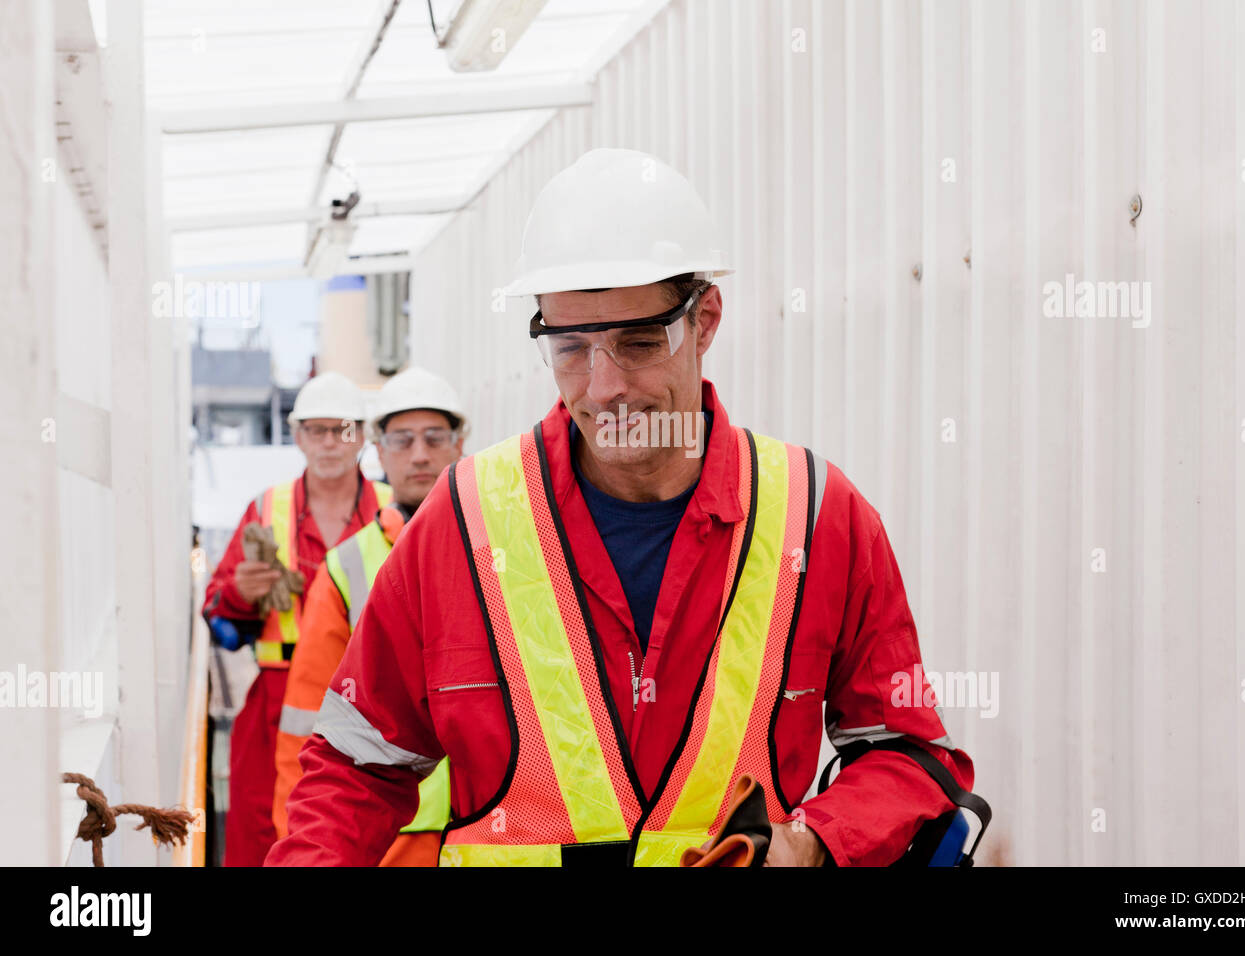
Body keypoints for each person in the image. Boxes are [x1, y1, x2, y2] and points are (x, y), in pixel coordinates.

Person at [266, 148, 975, 867]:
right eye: (571, 347)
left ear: (706, 322)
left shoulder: (819, 517)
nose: (605, 387)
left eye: (639, 342)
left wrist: (811, 842)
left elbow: (908, 752)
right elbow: (356, 767)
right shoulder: (462, 519)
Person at [271, 368, 467, 866]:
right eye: (403, 440)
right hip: (391, 837)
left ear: (459, 443)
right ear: (379, 450)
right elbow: (309, 721)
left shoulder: (508, 544)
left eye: (434, 438)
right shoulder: (345, 568)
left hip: (493, 831)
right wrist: (301, 843)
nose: (420, 454)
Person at [203, 370, 391, 867]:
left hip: (370, 696)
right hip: (276, 701)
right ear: (296, 435)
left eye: (342, 429)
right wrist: (240, 595)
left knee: (367, 829)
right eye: (316, 429)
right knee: (260, 833)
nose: (330, 442)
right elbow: (219, 620)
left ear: (364, 436)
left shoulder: (397, 512)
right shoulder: (265, 509)